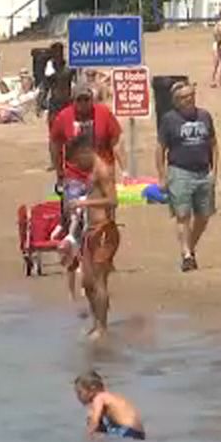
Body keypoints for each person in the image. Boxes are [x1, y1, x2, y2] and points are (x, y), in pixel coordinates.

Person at [156, 82, 218, 272]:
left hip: (203, 172)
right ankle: (187, 254)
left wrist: (214, 170)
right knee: (183, 215)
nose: (189, 99)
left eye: (191, 95)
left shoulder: (205, 116)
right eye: (184, 97)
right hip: (179, 171)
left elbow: (213, 144)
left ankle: (189, 247)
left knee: (204, 215)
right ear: (176, 101)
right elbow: (160, 149)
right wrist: (162, 176)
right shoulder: (169, 120)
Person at [64, 134, 121, 339]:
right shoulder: (92, 171)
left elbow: (113, 200)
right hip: (91, 230)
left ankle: (102, 327)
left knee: (99, 281)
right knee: (87, 282)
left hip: (104, 230)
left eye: (78, 160)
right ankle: (96, 321)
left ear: (85, 152)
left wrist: (83, 204)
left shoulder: (103, 170)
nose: (78, 165)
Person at [50, 87, 126, 182]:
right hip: (74, 177)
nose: (83, 103)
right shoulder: (63, 117)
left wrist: (124, 171)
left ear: (92, 100)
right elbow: (55, 144)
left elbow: (116, 143)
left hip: (102, 174)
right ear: (73, 101)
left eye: (86, 100)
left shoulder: (104, 113)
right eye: (79, 100)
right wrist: (59, 171)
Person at [74, 371, 145, 441]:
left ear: (92, 389)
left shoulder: (99, 398)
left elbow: (94, 421)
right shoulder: (111, 397)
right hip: (139, 432)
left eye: (80, 392)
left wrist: (87, 437)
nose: (77, 396)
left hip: (127, 432)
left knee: (95, 432)